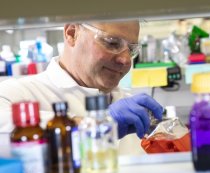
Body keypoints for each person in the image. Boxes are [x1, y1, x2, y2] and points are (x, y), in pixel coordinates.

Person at [0, 21, 163, 155]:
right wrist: (99, 126)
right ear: (71, 33)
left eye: (132, 50)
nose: (126, 60)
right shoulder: (13, 94)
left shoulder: (132, 108)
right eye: (112, 43)